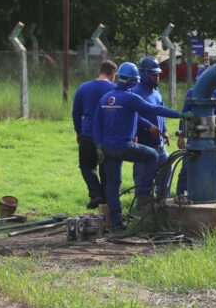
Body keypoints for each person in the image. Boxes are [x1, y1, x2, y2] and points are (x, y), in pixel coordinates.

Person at [93, 62, 183, 232]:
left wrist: (98, 146)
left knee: (112, 184)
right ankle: (144, 194)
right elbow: (154, 109)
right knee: (151, 156)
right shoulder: (130, 97)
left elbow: (97, 124)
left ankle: (116, 224)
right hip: (124, 146)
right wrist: (180, 114)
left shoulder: (106, 98)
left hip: (107, 149)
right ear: (135, 80)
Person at [175, 65, 216, 196]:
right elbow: (185, 114)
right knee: (187, 169)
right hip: (193, 137)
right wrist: (181, 136)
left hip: (212, 139)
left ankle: (208, 193)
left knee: (211, 168)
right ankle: (181, 195)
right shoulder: (191, 93)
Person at [71, 60, 117, 209]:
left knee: (86, 166)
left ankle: (96, 194)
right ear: (113, 74)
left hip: (88, 133)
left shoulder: (83, 88)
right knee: (106, 169)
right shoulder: (115, 89)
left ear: (100, 71)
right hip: (108, 135)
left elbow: (76, 113)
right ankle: (106, 201)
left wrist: (79, 131)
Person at [132, 56, 171, 201]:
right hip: (144, 145)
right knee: (143, 180)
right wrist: (148, 127)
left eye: (158, 74)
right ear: (143, 74)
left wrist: (165, 130)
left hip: (160, 145)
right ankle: (143, 211)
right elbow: (133, 115)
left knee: (167, 172)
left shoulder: (157, 92)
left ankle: (163, 205)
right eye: (154, 74)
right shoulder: (135, 92)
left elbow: (161, 112)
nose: (158, 77)